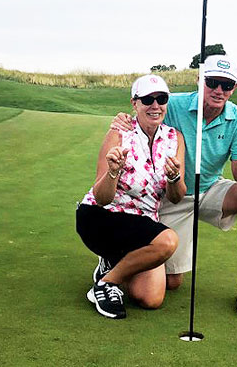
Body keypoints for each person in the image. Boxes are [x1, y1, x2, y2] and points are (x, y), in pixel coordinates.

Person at [112, 55, 237, 316]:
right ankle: (116, 259)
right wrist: (123, 119)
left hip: (209, 190)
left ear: (235, 88)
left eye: (226, 84)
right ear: (200, 80)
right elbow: (144, 114)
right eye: (212, 82)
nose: (219, 90)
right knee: (172, 283)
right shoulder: (172, 104)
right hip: (173, 194)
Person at [76, 74, 186, 319]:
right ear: (134, 103)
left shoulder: (174, 138)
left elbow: (177, 196)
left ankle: (112, 262)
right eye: (147, 99)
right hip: (102, 216)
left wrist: (173, 178)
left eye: (161, 99)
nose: (155, 105)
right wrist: (113, 172)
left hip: (142, 223)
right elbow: (101, 197)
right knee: (167, 241)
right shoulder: (119, 133)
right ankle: (106, 284)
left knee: (151, 298)